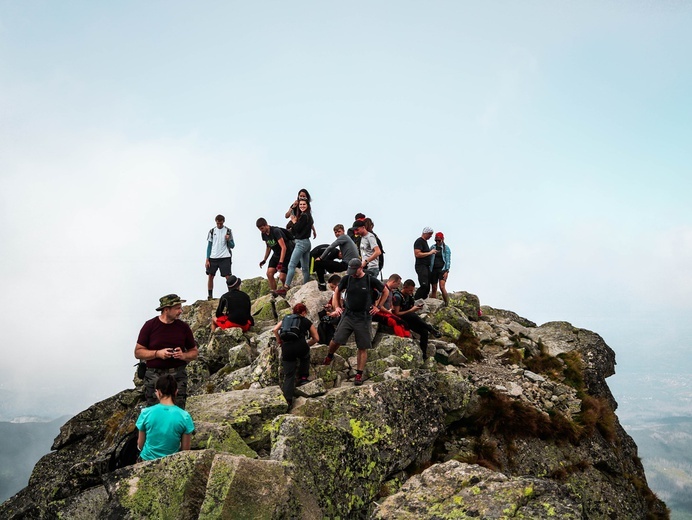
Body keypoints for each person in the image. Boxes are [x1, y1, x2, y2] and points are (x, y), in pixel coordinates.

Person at [323, 258, 389, 386]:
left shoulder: (370, 280)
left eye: (354, 270)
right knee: (337, 339)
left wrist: (378, 307)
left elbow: (385, 291)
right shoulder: (347, 278)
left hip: (364, 317)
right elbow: (337, 291)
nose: (352, 273)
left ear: (360, 268)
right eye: (350, 270)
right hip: (348, 314)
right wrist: (337, 307)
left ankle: (358, 374)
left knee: (362, 346)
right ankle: (330, 355)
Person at [135, 294, 198, 409]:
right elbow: (138, 352)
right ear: (166, 309)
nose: (181, 311)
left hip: (178, 375)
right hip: (154, 376)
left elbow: (194, 352)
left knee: (177, 410)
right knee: (155, 411)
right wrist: (158, 353)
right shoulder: (150, 326)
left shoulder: (183, 327)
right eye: (177, 308)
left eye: (180, 307)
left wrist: (183, 355)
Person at [136, 374, 195, 461]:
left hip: (146, 460)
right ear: (176, 392)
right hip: (170, 463)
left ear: (158, 392)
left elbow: (140, 445)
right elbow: (185, 450)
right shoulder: (185, 416)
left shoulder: (146, 413)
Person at [272, 303, 319, 406]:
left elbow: (275, 330)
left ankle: (288, 400)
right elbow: (316, 338)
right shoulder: (305, 321)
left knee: (289, 375)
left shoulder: (286, 319)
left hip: (287, 348)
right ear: (303, 312)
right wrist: (307, 345)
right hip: (300, 346)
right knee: (305, 356)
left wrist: (279, 341)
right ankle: (303, 378)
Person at [393, 279, 441, 359]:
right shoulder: (397, 296)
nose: (411, 292)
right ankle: (430, 328)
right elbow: (396, 313)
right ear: (404, 287)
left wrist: (416, 308)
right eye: (410, 290)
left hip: (409, 319)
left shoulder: (410, 296)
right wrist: (411, 310)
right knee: (412, 315)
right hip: (400, 318)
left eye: (412, 290)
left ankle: (423, 355)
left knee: (424, 332)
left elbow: (411, 308)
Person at [313, 224, 359, 291]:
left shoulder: (343, 237)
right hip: (349, 264)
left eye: (339, 231)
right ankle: (330, 278)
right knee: (329, 263)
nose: (337, 234)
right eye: (335, 232)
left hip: (346, 265)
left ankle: (322, 284)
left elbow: (330, 247)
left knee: (318, 263)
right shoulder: (347, 239)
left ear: (343, 231)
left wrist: (321, 258)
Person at [282, 199, 314, 292]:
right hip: (307, 242)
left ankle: (286, 286)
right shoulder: (309, 216)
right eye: (301, 204)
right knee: (305, 268)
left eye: (304, 204)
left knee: (291, 265)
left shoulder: (304, 216)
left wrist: (294, 221)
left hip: (301, 243)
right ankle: (306, 285)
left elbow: (297, 229)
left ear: (307, 205)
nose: (302, 206)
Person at [257, 217, 294, 292]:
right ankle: (274, 292)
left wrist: (280, 262)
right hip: (276, 254)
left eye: (262, 228)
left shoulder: (275, 231)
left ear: (266, 225)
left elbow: (284, 247)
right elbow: (268, 247)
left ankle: (286, 291)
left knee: (282, 277)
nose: (261, 230)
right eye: (260, 229)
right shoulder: (263, 234)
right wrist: (264, 259)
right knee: (269, 273)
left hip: (286, 254)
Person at [206, 215, 235, 300]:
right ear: (216, 222)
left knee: (228, 276)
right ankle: (210, 295)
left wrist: (228, 239)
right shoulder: (212, 231)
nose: (219, 224)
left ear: (223, 222)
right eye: (217, 223)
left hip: (225, 257)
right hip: (213, 257)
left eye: (220, 223)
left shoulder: (228, 231)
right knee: (211, 275)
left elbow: (232, 245)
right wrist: (207, 259)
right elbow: (209, 246)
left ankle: (231, 294)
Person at [413, 226, 436, 300]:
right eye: (429, 234)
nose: (430, 236)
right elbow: (417, 254)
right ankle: (415, 300)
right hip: (421, 266)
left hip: (426, 266)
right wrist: (430, 253)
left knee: (427, 286)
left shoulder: (425, 242)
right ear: (425, 233)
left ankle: (423, 300)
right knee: (424, 285)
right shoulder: (419, 241)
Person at [430, 231, 452, 306]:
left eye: (439, 240)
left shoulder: (446, 248)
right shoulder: (432, 247)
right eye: (436, 240)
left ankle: (447, 303)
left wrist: (447, 271)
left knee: (442, 287)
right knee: (434, 287)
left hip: (442, 269)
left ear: (442, 239)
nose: (437, 242)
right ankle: (434, 304)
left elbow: (448, 260)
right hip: (434, 269)